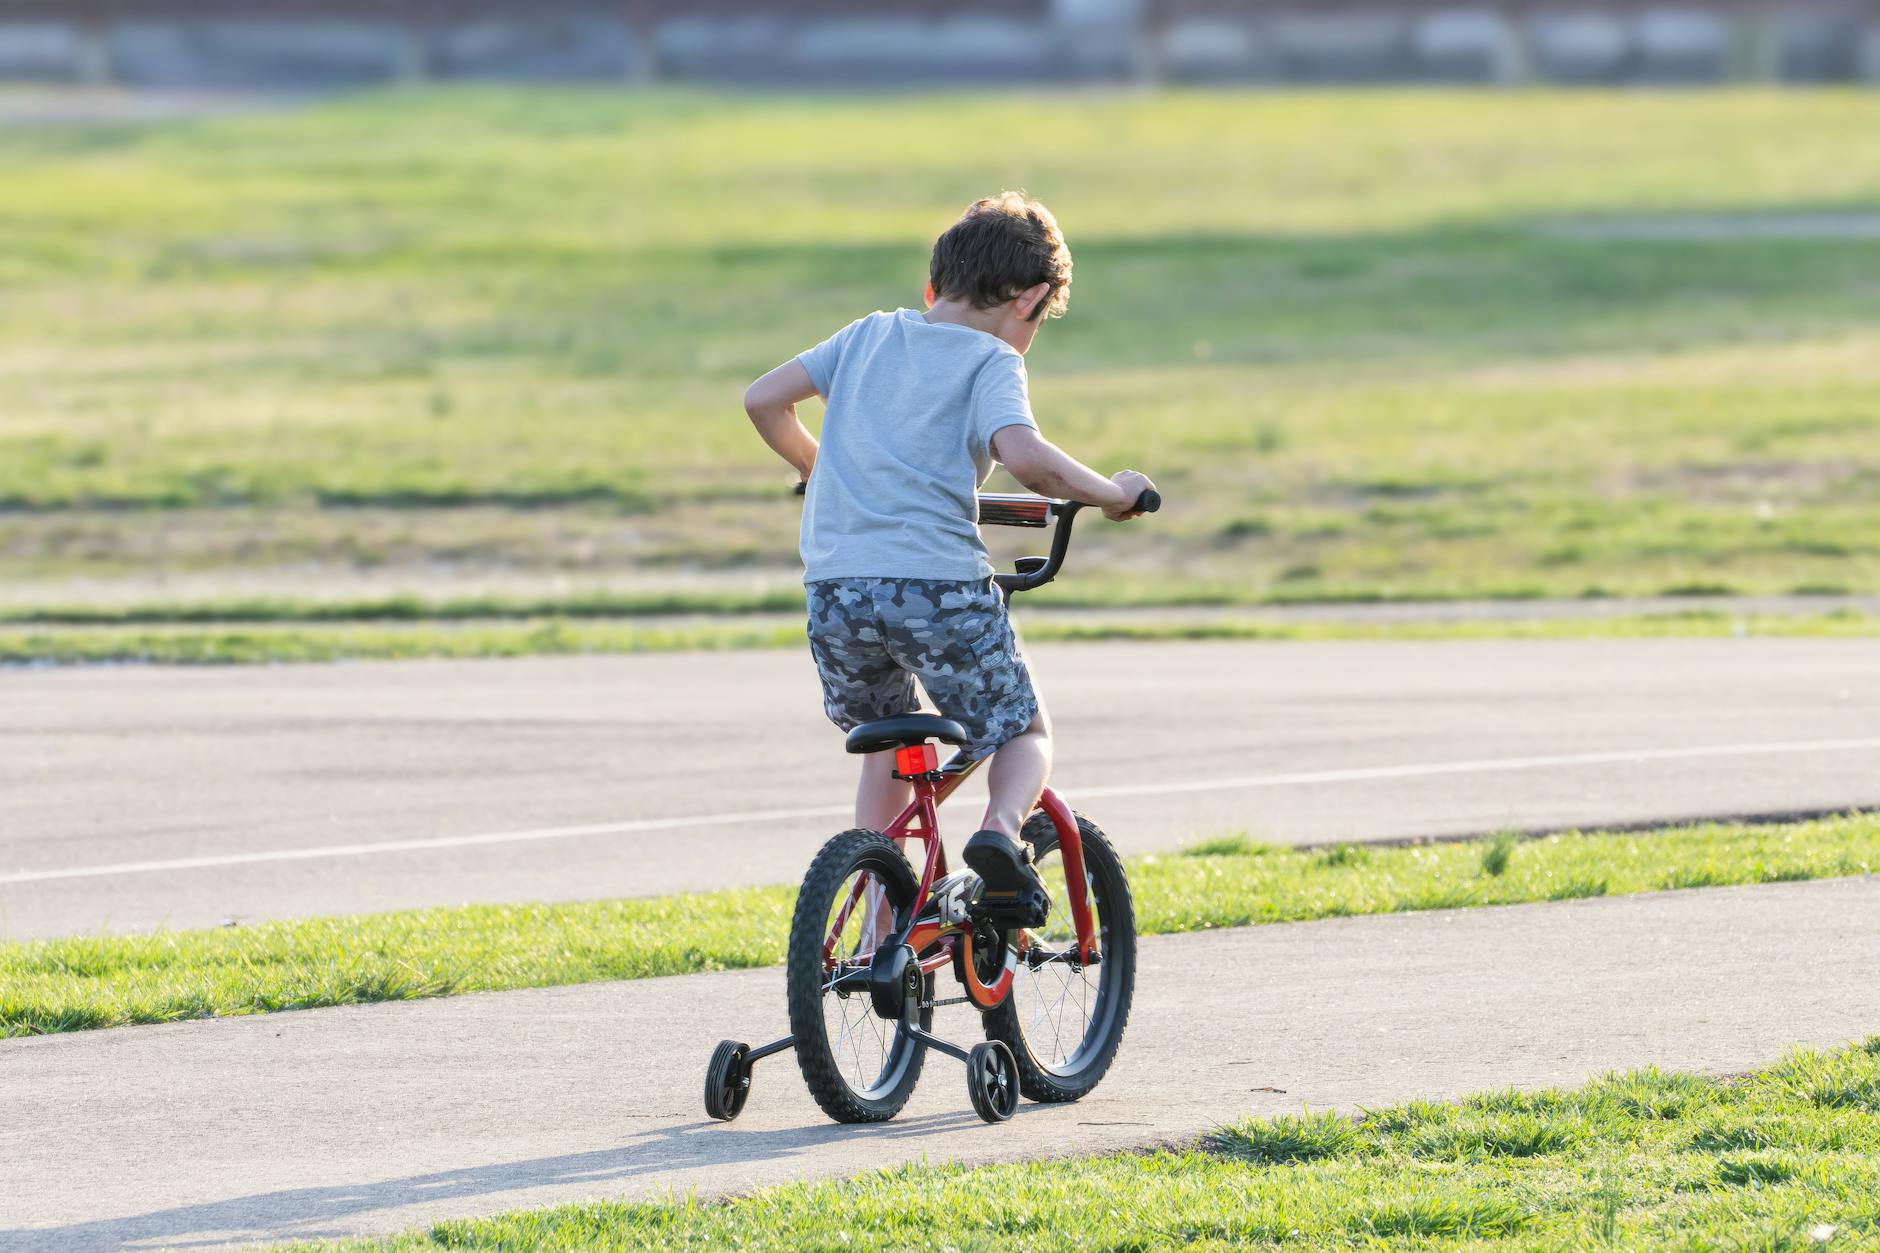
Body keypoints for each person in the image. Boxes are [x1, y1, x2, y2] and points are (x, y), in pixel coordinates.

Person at [742, 190, 1154, 925]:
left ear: (933, 286)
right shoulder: (991, 358)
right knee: (1024, 730)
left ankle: (877, 923)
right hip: (934, 589)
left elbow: (763, 400)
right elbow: (1029, 461)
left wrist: (821, 470)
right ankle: (999, 837)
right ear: (1029, 301)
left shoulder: (867, 335)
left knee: (888, 744)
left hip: (834, 593)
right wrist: (1111, 493)